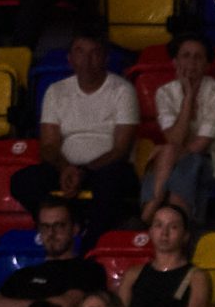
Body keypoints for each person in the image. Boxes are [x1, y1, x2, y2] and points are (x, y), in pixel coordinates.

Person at [14, 28, 141, 228]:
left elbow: (121, 150)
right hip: (65, 168)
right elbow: (48, 145)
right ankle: (56, 227)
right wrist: (66, 169)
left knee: (113, 181)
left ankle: (91, 235)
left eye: (94, 53)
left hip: (105, 168)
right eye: (80, 52)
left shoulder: (123, 91)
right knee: (23, 181)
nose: (87, 60)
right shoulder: (55, 91)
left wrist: (83, 171)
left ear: (105, 58)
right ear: (70, 59)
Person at [142, 31, 215, 219]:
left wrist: (168, 154)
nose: (191, 63)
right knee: (172, 158)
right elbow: (175, 139)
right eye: (185, 56)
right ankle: (169, 218)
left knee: (186, 162)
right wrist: (188, 99)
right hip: (180, 159)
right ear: (175, 62)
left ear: (207, 65)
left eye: (198, 57)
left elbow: (200, 146)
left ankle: (156, 215)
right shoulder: (165, 93)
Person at [0, 197, 108, 307]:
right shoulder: (24, 274)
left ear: (75, 229)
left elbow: (66, 306)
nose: (51, 233)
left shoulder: (88, 269)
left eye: (59, 225)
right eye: (45, 227)